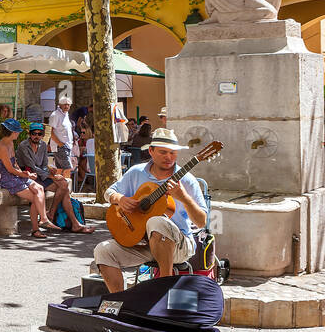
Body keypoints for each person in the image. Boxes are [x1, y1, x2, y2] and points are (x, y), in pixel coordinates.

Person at [93, 128, 208, 293]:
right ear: (151, 151)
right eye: (163, 152)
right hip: (144, 244)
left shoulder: (187, 181)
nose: (169, 157)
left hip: (179, 246)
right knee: (103, 250)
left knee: (157, 221)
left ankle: (161, 292)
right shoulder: (136, 173)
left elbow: (201, 221)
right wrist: (120, 199)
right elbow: (108, 192)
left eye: (173, 153)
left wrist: (184, 198)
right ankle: (120, 302)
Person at [15, 123, 93, 234]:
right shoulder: (23, 146)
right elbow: (32, 167)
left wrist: (51, 170)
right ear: (29, 134)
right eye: (34, 133)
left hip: (40, 176)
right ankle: (71, 223)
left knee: (64, 185)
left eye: (39, 134)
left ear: (42, 135)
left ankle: (56, 215)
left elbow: (44, 164)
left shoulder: (42, 145)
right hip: (28, 176)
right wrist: (51, 175)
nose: (36, 136)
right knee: (62, 187)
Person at [0, 118, 60, 238]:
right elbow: (10, 170)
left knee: (39, 189)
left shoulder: (10, 143)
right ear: (12, 132)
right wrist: (26, 174)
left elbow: (15, 164)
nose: (18, 133)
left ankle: (43, 219)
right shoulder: (2, 147)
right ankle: (37, 228)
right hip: (5, 179)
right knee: (35, 197)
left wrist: (25, 173)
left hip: (15, 175)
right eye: (17, 131)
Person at [49, 96, 75, 182]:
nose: (66, 106)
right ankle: (67, 191)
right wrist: (61, 144)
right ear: (60, 105)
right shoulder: (55, 115)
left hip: (66, 146)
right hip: (60, 147)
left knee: (59, 169)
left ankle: (59, 190)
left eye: (68, 104)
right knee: (68, 168)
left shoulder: (65, 114)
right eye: (64, 104)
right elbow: (50, 132)